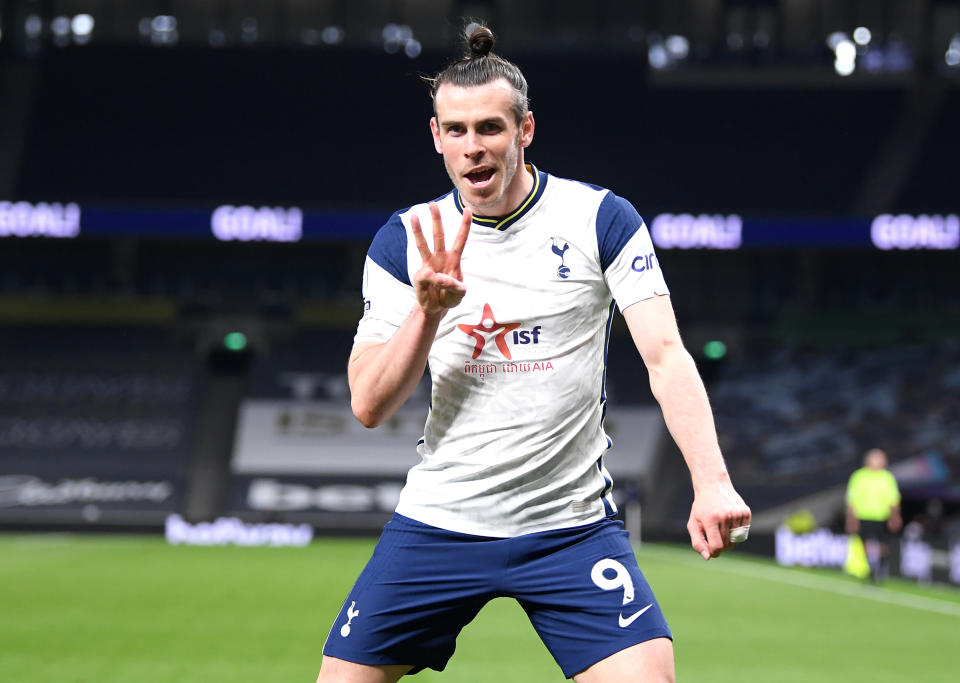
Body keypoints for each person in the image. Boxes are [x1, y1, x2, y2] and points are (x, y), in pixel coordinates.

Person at [318, 24, 751, 683]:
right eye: (455, 131)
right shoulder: (404, 239)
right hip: (440, 521)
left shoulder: (600, 220)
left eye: (490, 128)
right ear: (435, 137)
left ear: (525, 131)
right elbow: (369, 403)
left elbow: (666, 357)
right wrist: (429, 313)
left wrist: (712, 480)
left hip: (570, 525)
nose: (472, 148)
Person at [845, 448, 902, 582]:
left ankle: (880, 569)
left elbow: (894, 500)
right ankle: (868, 570)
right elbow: (851, 500)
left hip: (881, 517)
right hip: (863, 516)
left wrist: (895, 517)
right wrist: (851, 518)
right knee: (864, 544)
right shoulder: (858, 476)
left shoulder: (887, 478)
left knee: (882, 545)